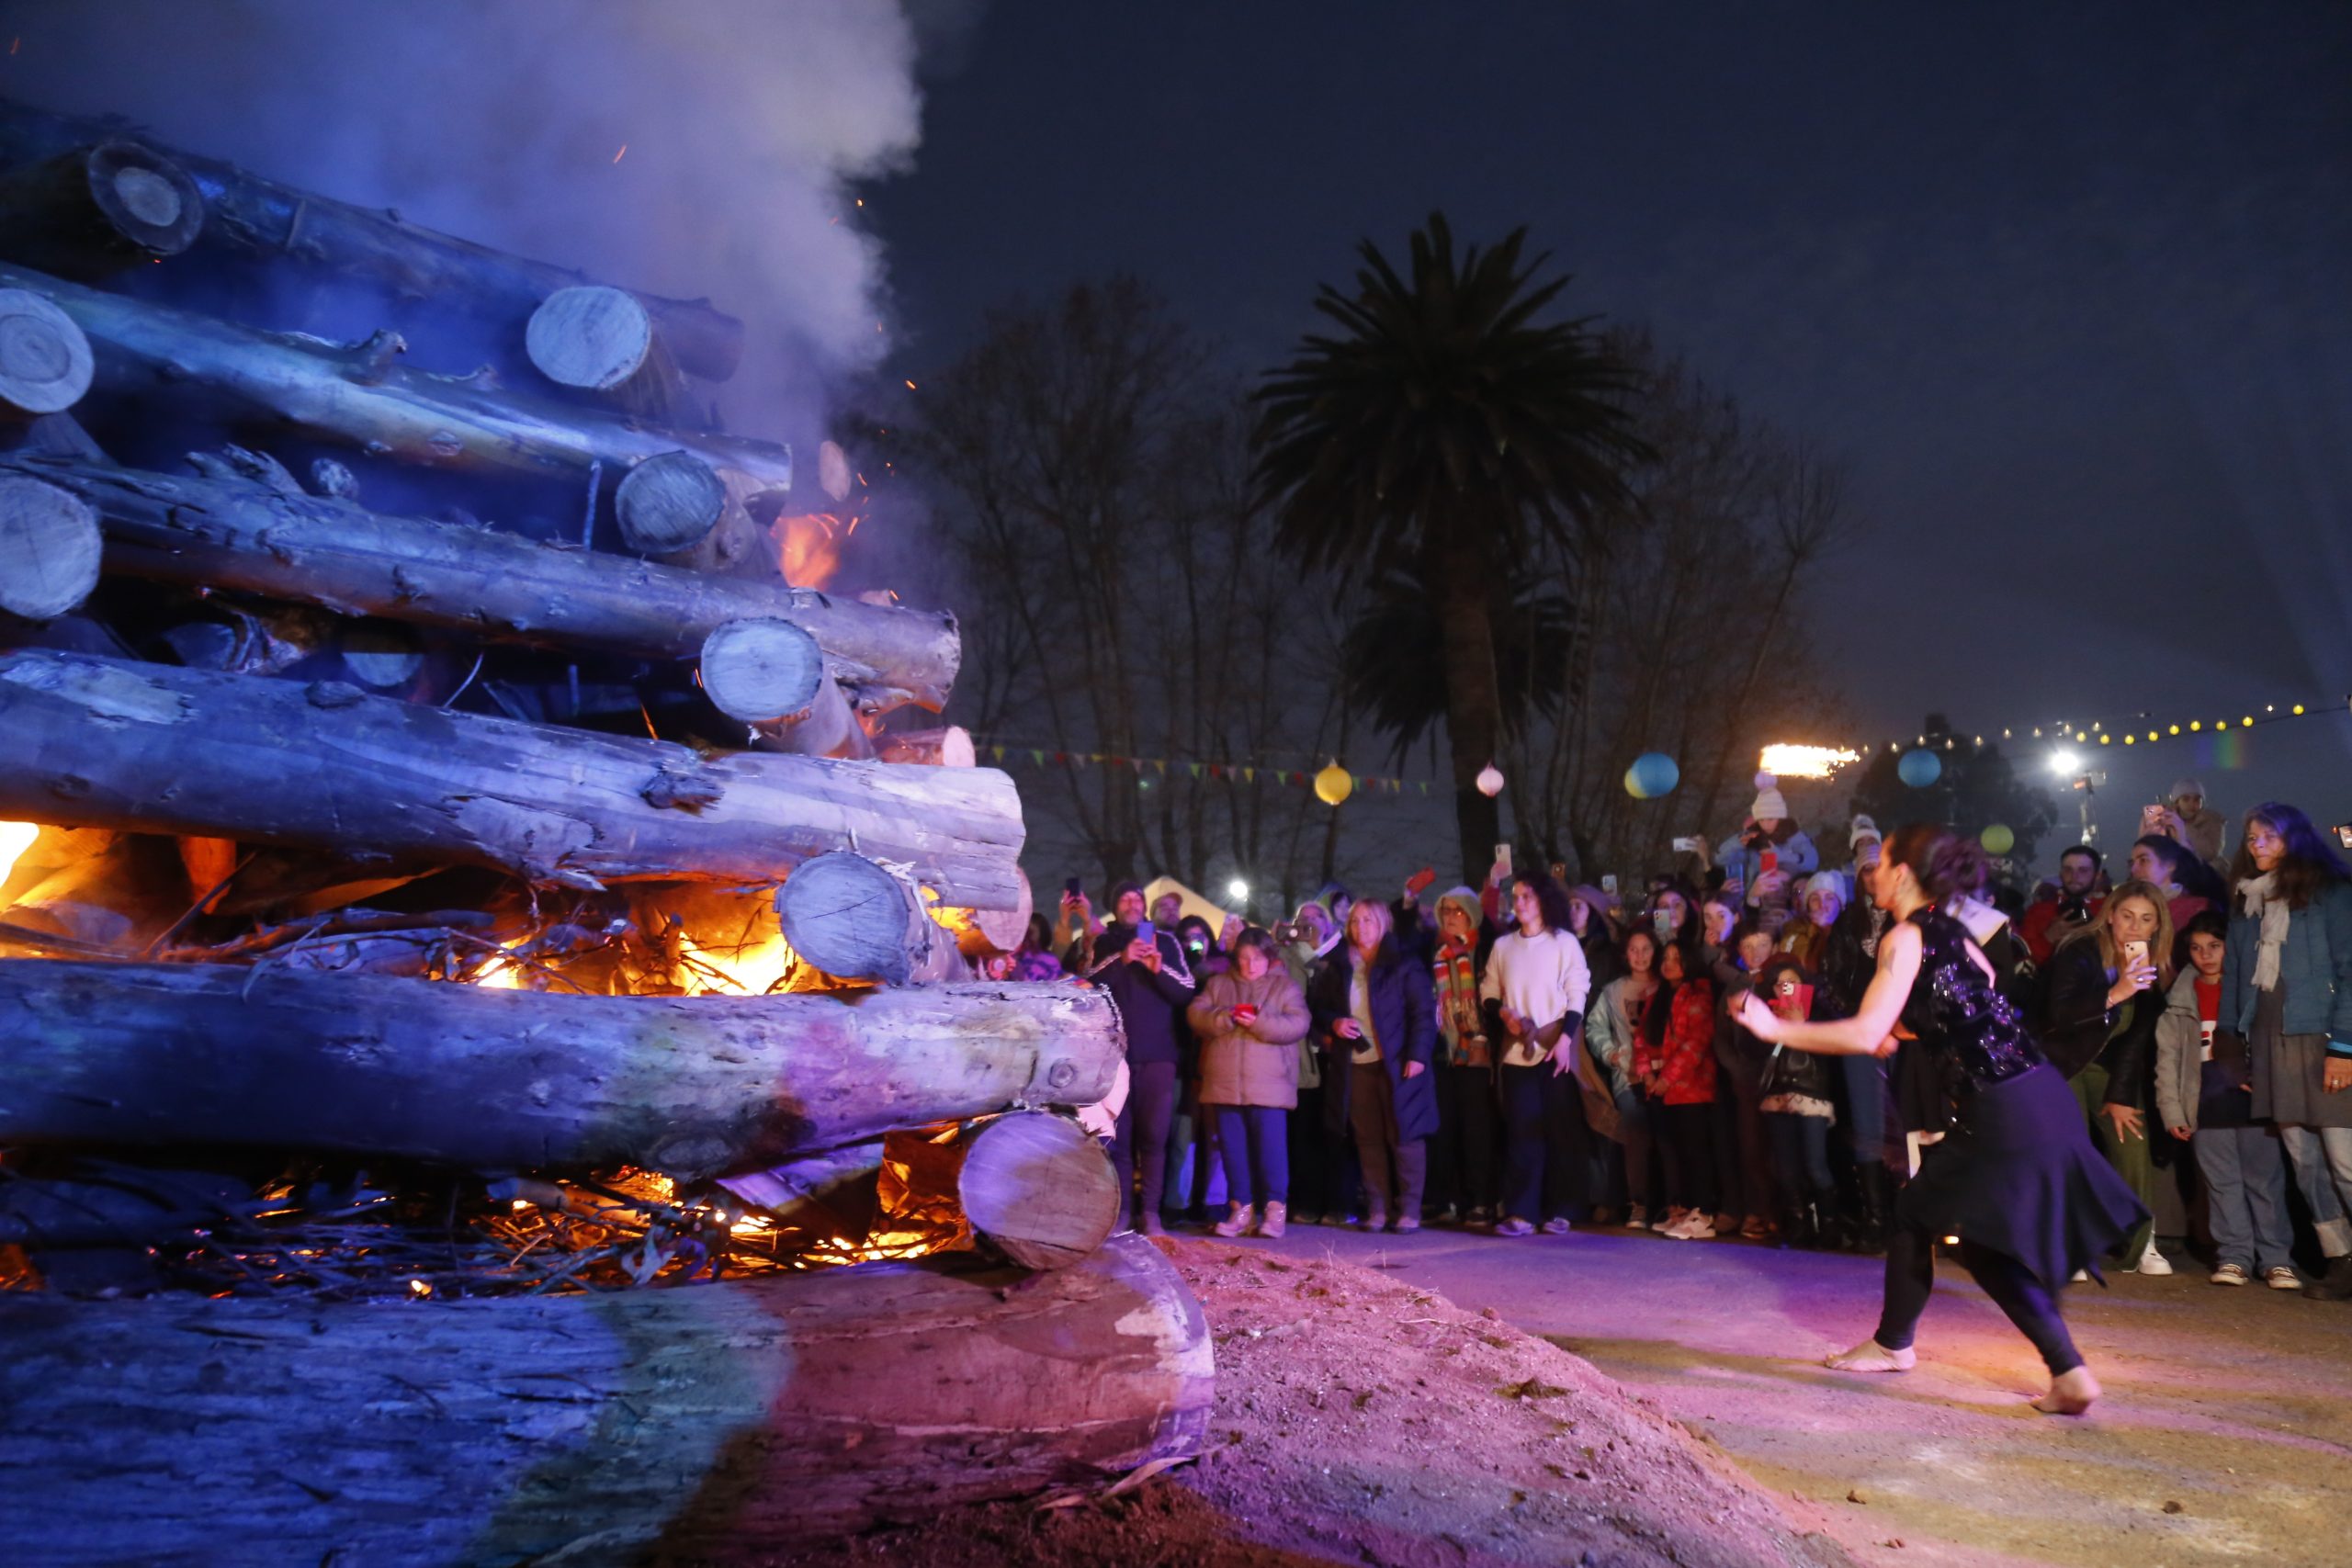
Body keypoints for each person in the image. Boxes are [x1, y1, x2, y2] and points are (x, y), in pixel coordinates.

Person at [1736, 823, 2145, 1416]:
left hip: (2000, 1103)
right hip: (2037, 1091)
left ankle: (1899, 1346)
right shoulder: (1953, 931)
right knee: (1963, 1234)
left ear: (1902, 873)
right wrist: (1900, 1031)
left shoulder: (1903, 936)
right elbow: (1972, 1004)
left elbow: (1868, 1031)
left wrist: (1775, 1027)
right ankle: (2065, 1371)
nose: (1870, 874)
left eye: (1880, 863)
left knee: (1919, 1216)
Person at [2221, 803, 2352, 1302]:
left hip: (2323, 1039)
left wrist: (2345, 1047)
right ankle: (2342, 1259)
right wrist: (2237, 1048)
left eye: (2269, 837)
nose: (2257, 845)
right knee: (2305, 1162)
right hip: (2272, 1041)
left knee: (2344, 1160)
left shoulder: (2331, 893)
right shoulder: (2247, 901)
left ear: (2294, 839)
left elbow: (2350, 969)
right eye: (2252, 837)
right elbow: (2236, 976)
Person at [2040, 879, 2175, 1274]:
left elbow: (2136, 1038)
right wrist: (2115, 992)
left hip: (2107, 1066)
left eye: (2146, 919)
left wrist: (2120, 1095)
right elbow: (2057, 1016)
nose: (2135, 927)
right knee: (2070, 1146)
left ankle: (2140, 1243)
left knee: (2132, 1138)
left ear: (2157, 926)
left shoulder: (2153, 964)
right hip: (2061, 1060)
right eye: (2127, 916)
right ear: (2111, 915)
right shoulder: (2079, 950)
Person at [2156, 911, 2298, 1289]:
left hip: (2253, 1105)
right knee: (2222, 1185)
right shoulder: (2180, 998)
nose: (2205, 955)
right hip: (2206, 1105)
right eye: (2196, 948)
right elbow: (2168, 1059)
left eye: (2214, 946)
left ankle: (2276, 1259)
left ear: (2229, 947)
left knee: (2265, 1183)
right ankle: (2235, 1257)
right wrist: (2172, 1110)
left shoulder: (2250, 989)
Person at [1309, 898, 1438, 1233]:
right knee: (1368, 1138)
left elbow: (1423, 1013)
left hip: (1398, 1063)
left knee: (1405, 1135)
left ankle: (1409, 1209)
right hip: (1356, 1063)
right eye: (1355, 921)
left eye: (1368, 920)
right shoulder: (1339, 965)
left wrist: (1417, 1055)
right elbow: (1319, 1008)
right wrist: (1334, 1022)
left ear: (1383, 924)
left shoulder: (1403, 962)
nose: (1361, 927)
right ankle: (1378, 1208)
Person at [1477, 873, 1593, 1237]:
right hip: (1517, 1051)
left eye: (1527, 895)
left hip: (1555, 1046)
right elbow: (1488, 990)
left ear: (1543, 899)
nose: (1520, 902)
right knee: (1521, 1131)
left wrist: (1565, 1041)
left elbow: (1577, 991)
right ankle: (1522, 1211)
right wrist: (1503, 1013)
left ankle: (1561, 1209)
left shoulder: (1564, 943)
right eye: (1516, 896)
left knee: (1559, 1129)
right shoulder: (1504, 946)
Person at [1091, 880, 1198, 1236]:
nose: (1132, 904)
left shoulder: (1165, 941)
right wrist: (1123, 960)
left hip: (1159, 1057)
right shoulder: (1104, 943)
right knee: (1119, 1140)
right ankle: (1122, 1212)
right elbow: (1089, 984)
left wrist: (1157, 968)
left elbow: (1186, 991)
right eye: (1124, 899)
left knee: (1154, 1138)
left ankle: (1151, 1213)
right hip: (1115, 1056)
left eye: (1137, 898)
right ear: (1115, 906)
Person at [1190, 927, 1311, 1239]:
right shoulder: (1219, 984)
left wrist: (1260, 1022)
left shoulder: (1284, 987)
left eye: (1257, 958)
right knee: (1233, 1152)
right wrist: (1224, 1017)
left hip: (1269, 1085)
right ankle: (1241, 1210)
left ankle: (1274, 1211)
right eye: (1244, 958)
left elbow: (1299, 1024)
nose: (1250, 965)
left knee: (1271, 1151)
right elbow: (1195, 1014)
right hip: (1225, 1083)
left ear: (1268, 958)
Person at [1635, 936, 1720, 1239]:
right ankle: (1682, 1209)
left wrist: (1666, 1079)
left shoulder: (1700, 995)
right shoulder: (1658, 996)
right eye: (1666, 958)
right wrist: (1647, 1074)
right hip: (1661, 1087)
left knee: (1695, 1150)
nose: (1669, 964)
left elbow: (1696, 1043)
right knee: (1673, 1151)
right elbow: (1642, 1037)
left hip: (1691, 1086)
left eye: (1676, 957)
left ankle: (1704, 1213)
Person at [1756, 953, 1842, 1247]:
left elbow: (1832, 1048)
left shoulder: (1819, 1013)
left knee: (1815, 1164)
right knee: (1786, 1168)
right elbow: (1752, 1053)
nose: (1786, 989)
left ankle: (1830, 1225)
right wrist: (1772, 1026)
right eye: (1780, 984)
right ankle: (1798, 1224)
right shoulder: (1766, 1016)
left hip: (1811, 1094)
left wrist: (1802, 1024)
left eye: (1792, 983)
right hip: (1777, 1095)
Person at [1429, 886, 1500, 1225]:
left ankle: (1480, 1199)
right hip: (1444, 1051)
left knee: (1477, 1129)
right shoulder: (1436, 952)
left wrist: (1481, 1034)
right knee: (1445, 1128)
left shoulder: (1484, 950)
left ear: (1471, 914)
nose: (1451, 918)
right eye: (1446, 911)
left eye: (1458, 911)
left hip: (1477, 1050)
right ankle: (1447, 1199)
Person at [1585, 927, 1664, 1227]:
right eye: (1634, 949)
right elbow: (1595, 1027)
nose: (1640, 956)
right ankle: (1639, 1203)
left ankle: (1670, 1204)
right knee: (1636, 1135)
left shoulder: (1666, 986)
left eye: (1646, 949)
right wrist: (1610, 1053)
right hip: (1628, 1078)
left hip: (1667, 1077)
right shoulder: (1613, 990)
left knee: (1667, 1139)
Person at [1716, 778, 1821, 919]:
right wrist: (1737, 842)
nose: (1765, 824)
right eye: (1761, 819)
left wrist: (1781, 855)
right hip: (1757, 901)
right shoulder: (1753, 838)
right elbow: (1721, 859)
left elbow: (1812, 862)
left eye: (1770, 819)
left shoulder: (1795, 836)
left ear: (1779, 817)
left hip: (1791, 902)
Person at [2128, 834, 2218, 951]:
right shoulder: (2130, 910)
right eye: (2132, 863)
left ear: (2170, 865)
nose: (2134, 869)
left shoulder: (2196, 909)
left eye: (2143, 860)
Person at [2019, 845, 2104, 964]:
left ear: (2097, 876)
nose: (2074, 876)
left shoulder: (2110, 909)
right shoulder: (2038, 911)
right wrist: (2048, 938)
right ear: (2061, 874)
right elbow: (2022, 960)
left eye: (2083, 870)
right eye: (2068, 870)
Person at [1778, 873, 1845, 970]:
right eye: (1815, 899)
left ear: (1840, 905)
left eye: (1829, 898)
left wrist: (1827, 929)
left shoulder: (1853, 930)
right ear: (1808, 907)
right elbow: (1807, 969)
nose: (1822, 905)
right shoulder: (1794, 933)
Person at [2169, 778, 2229, 868]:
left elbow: (2210, 854)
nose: (2192, 804)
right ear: (2177, 802)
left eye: (2197, 799)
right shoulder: (2167, 822)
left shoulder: (2212, 821)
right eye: (2186, 799)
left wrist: (2183, 827)